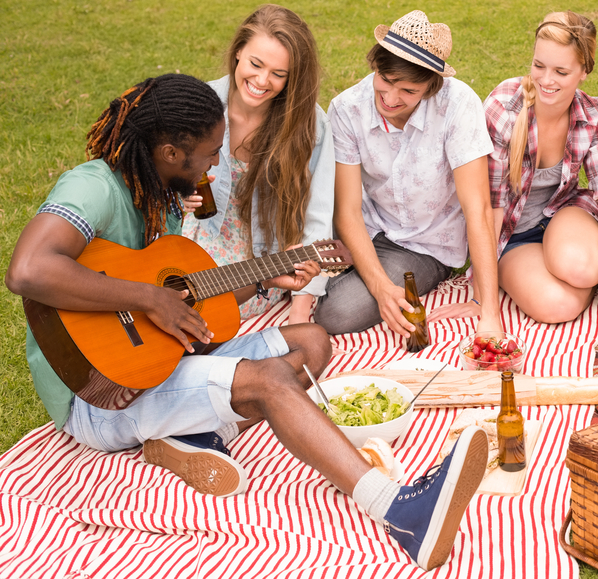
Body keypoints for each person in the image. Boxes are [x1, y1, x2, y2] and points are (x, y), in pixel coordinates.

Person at [4, 74, 489, 571]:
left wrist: (264, 280)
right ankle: (398, 509)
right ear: (171, 152)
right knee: (272, 380)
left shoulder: (156, 192)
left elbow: (189, 296)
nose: (217, 164)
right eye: (211, 154)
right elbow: (28, 269)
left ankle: (185, 433)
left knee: (313, 342)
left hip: (154, 362)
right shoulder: (94, 186)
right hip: (98, 395)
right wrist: (151, 298)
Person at [314, 10, 502, 338]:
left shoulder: (458, 105)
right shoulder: (347, 109)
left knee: (336, 312)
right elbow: (346, 211)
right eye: (385, 81)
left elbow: (478, 210)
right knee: (293, 253)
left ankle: (343, 275)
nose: (390, 98)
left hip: (423, 244)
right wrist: (381, 287)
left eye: (408, 91)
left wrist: (488, 311)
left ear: (431, 87)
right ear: (376, 67)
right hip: (367, 226)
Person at [182, 5, 335, 325]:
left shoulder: (310, 125)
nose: (262, 80)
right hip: (191, 252)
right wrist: (176, 200)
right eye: (255, 64)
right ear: (238, 51)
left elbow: (316, 220)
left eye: (279, 74)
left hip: (257, 273)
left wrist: (299, 313)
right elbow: (155, 181)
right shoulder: (200, 104)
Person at [484, 11, 598, 323]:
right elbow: (490, 207)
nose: (546, 80)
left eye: (561, 71)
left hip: (564, 216)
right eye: (539, 66)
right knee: (558, 306)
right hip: (511, 236)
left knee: (577, 268)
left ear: (584, 71)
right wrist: (483, 298)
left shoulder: (591, 115)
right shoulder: (504, 108)